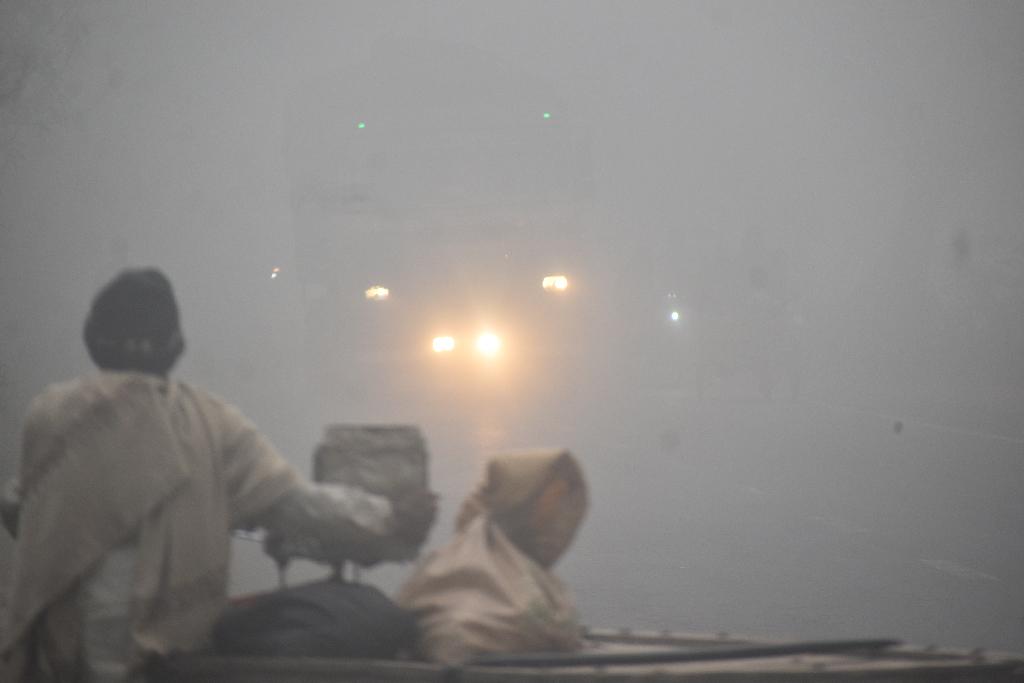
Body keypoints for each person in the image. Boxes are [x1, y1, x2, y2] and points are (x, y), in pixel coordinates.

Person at [0, 268, 435, 683]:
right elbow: (293, 504)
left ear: (93, 341)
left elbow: (23, 508)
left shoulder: (52, 415)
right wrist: (389, 516)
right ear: (175, 346)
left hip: (62, 653)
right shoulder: (208, 423)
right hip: (161, 652)